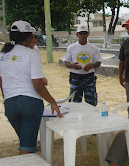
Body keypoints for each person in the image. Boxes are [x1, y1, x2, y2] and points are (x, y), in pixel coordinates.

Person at [0, 20, 62, 155]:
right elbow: (38, 85)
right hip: (30, 104)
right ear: (27, 37)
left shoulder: (2, 55)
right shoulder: (32, 54)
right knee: (27, 148)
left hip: (10, 105)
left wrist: (8, 100)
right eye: (33, 36)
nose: (34, 39)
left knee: (25, 141)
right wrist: (52, 101)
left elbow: (1, 82)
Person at [64, 25, 101, 106]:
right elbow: (66, 63)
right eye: (81, 33)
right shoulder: (71, 48)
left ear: (88, 34)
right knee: (73, 104)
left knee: (91, 104)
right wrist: (73, 66)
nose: (83, 35)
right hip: (75, 78)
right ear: (77, 35)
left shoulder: (94, 48)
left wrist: (92, 65)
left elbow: (98, 63)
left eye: (85, 33)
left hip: (89, 78)